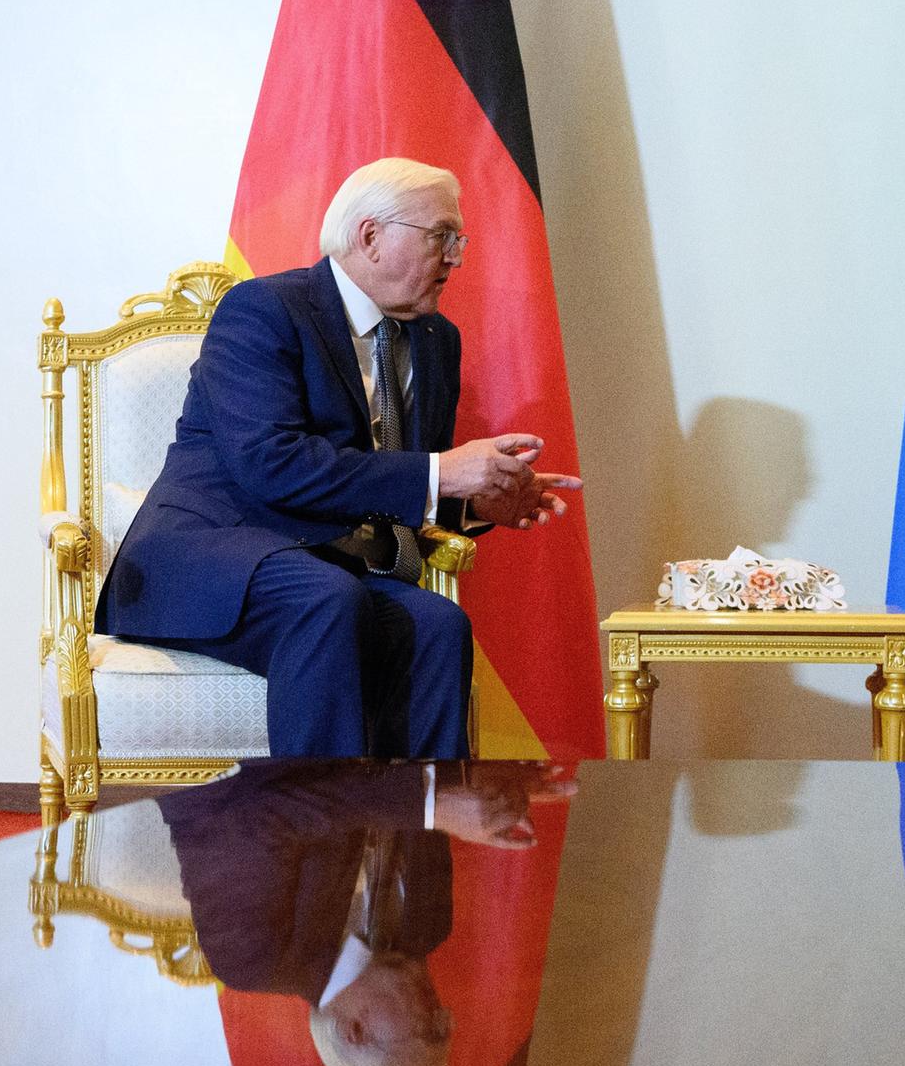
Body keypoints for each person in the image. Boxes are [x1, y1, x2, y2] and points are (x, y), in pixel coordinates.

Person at [95, 157, 580, 759]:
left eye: (458, 240)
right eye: (441, 237)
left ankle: (417, 839)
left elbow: (397, 482)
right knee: (325, 601)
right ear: (370, 236)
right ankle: (319, 839)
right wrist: (441, 471)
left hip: (324, 566)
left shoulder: (435, 342)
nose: (456, 256)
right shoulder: (263, 309)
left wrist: (475, 500)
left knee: (438, 625)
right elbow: (271, 462)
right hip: (210, 557)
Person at [157, 758, 575, 1066]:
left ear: (355, 1030)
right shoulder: (427, 926)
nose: (440, 1010)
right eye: (444, 1027)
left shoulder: (254, 961)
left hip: (246, 744)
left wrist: (430, 805)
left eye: (427, 1031)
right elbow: (410, 778)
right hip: (367, 710)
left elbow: (260, 814)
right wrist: (478, 783)